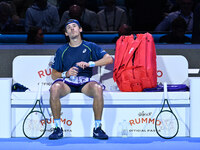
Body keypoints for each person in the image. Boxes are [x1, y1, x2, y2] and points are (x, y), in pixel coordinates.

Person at [48, 19, 113, 140]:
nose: (72, 28)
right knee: (55, 88)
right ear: (66, 33)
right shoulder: (61, 50)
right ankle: (57, 128)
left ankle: (97, 128)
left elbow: (109, 59)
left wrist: (90, 64)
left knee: (98, 88)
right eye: (69, 28)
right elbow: (53, 75)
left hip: (85, 82)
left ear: (80, 29)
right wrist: (66, 73)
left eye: (74, 26)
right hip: (67, 83)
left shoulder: (90, 46)